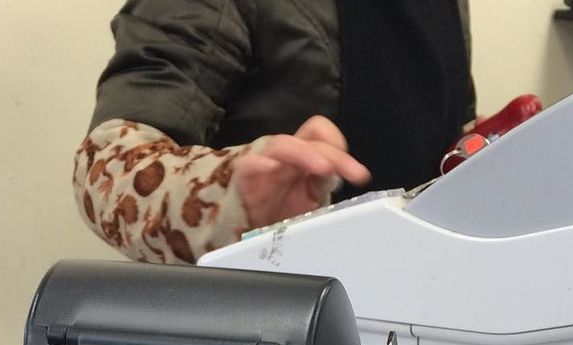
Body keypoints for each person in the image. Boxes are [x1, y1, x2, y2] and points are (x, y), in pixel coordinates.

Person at [76, 0, 474, 264]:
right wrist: (229, 198)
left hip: (421, 309)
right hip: (267, 330)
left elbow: (445, 126)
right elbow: (105, 165)